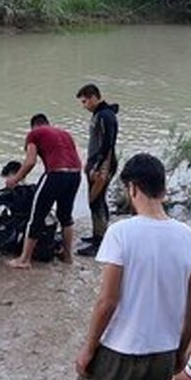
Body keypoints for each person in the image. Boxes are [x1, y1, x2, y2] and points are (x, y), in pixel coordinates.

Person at [69, 154, 191, 380]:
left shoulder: (122, 233)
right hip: (164, 351)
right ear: (163, 189)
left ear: (132, 188)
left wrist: (89, 348)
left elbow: (107, 301)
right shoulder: (189, 237)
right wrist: (180, 350)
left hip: (122, 347)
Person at [6, 114, 82, 268]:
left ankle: (24, 260)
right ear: (48, 123)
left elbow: (30, 161)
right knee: (65, 216)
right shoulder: (65, 134)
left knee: (36, 216)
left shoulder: (34, 134)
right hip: (75, 174)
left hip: (55, 174)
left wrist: (15, 179)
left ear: (33, 126)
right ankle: (68, 257)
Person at [75, 84, 120, 257]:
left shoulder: (105, 116)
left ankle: (100, 243)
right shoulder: (100, 114)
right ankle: (99, 236)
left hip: (103, 165)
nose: (84, 106)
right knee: (97, 200)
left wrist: (97, 166)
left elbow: (108, 143)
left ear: (94, 97)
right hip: (99, 164)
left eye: (85, 101)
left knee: (96, 201)